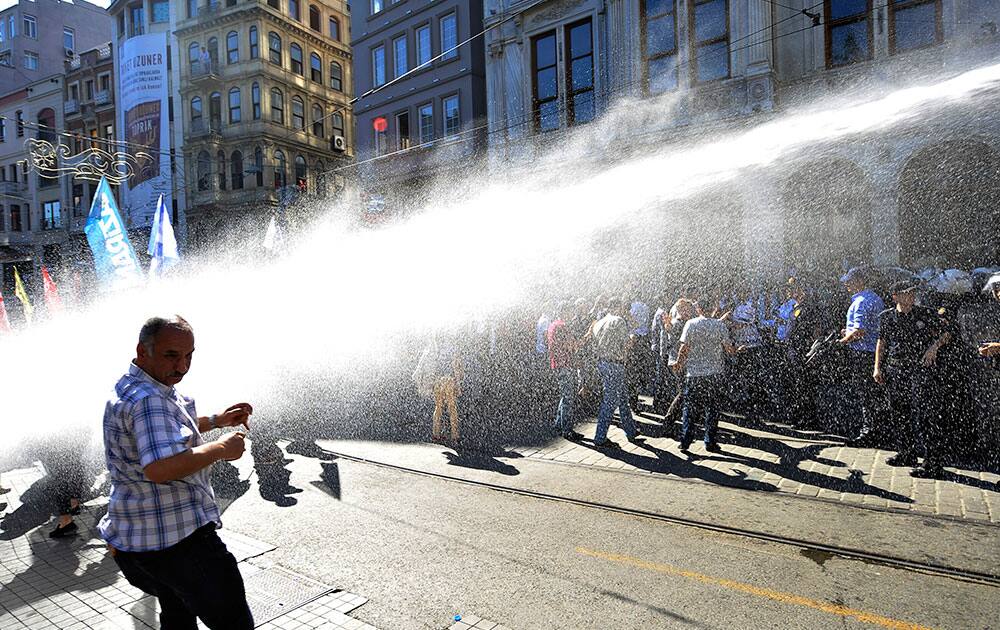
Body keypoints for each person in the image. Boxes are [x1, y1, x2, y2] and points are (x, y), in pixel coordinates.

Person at [99, 316, 255, 630]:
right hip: (181, 544)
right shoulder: (150, 400)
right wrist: (222, 449)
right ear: (143, 350)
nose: (182, 366)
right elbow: (159, 468)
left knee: (177, 615)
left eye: (189, 356)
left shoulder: (134, 385)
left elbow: (163, 433)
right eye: (172, 355)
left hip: (138, 544)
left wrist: (215, 420)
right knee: (234, 623)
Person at [873, 281, 951, 478]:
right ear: (895, 296)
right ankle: (906, 452)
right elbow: (881, 343)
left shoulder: (924, 313)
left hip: (921, 370)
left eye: (913, 293)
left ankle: (932, 462)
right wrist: (877, 368)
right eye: (906, 293)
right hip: (896, 369)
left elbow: (946, 333)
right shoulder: (887, 317)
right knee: (899, 413)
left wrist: (934, 347)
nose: (911, 296)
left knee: (926, 415)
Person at [673, 299, 739, 453]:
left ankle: (685, 441)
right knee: (712, 408)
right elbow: (729, 349)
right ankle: (710, 441)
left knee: (690, 408)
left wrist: (678, 364)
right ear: (714, 308)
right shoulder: (720, 325)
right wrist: (737, 350)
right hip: (714, 374)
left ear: (699, 309)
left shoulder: (691, 324)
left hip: (694, 374)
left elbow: (684, 348)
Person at [838, 267, 886, 444]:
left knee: (866, 394)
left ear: (859, 281)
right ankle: (875, 430)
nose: (846, 285)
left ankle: (869, 433)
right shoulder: (873, 298)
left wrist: (842, 342)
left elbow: (860, 331)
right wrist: (847, 332)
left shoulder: (862, 301)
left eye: (849, 282)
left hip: (863, 353)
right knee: (871, 394)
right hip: (871, 352)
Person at [590, 298, 639, 448]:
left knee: (622, 398)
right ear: (619, 306)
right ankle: (600, 438)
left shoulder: (599, 322)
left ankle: (631, 431)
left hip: (603, 363)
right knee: (610, 401)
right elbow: (625, 344)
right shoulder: (618, 320)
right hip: (615, 364)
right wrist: (632, 339)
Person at [548, 301, 585, 440]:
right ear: (565, 311)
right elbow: (573, 346)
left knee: (565, 396)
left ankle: (558, 425)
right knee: (568, 398)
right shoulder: (563, 326)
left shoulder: (552, 325)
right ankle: (567, 430)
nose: (572, 314)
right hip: (565, 365)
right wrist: (587, 336)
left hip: (557, 364)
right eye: (570, 311)